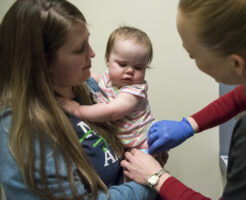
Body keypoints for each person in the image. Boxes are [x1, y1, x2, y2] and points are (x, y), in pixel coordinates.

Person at [121, 0, 246, 199]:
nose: (193, 59)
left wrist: (157, 177)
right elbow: (243, 95)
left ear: (236, 64)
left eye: (193, 55)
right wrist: (189, 124)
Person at [0, 0, 158, 199]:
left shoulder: (88, 89)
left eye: (88, 42)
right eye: (80, 48)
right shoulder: (23, 131)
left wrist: (149, 158)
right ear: (43, 61)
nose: (92, 53)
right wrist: (151, 181)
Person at [59, 26, 155, 151]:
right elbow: (98, 79)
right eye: (122, 64)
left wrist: (79, 111)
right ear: (107, 60)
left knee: (134, 167)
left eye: (138, 68)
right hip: (121, 143)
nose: (130, 71)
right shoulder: (108, 77)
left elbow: (112, 111)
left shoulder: (134, 90)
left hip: (141, 143)